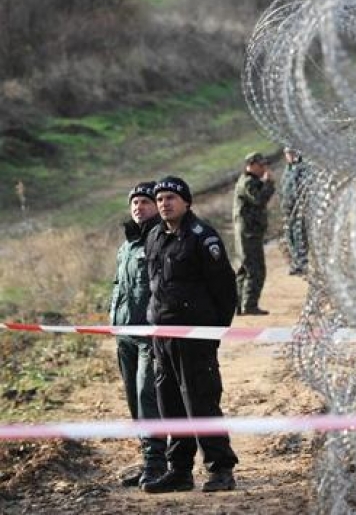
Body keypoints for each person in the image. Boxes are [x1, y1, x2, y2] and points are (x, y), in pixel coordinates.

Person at [142, 176, 239, 493]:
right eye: (159, 199)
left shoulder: (202, 237)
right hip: (162, 336)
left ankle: (221, 469)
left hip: (194, 337)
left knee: (201, 401)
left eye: (170, 198)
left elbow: (225, 288)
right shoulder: (154, 235)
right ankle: (180, 471)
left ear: (186, 202)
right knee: (169, 404)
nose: (164, 204)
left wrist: (212, 332)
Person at [109, 181, 166, 488]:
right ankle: (148, 460)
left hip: (149, 336)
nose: (138, 207)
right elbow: (119, 286)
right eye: (134, 202)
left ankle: (158, 464)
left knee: (148, 398)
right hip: (124, 335)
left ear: (155, 206)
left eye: (145, 202)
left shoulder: (161, 239)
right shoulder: (127, 245)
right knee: (134, 399)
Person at [233, 151, 275, 315]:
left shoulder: (251, 181)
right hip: (248, 233)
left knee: (245, 269)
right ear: (250, 165)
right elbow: (259, 199)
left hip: (249, 231)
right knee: (254, 269)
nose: (263, 168)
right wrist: (269, 184)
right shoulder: (248, 182)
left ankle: (239, 305)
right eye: (260, 165)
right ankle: (249, 305)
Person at [279, 147, 309, 276]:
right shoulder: (288, 169)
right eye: (287, 154)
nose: (289, 156)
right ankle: (296, 262)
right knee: (290, 235)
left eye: (291, 153)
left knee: (299, 234)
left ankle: (302, 262)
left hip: (298, 207)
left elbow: (303, 188)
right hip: (288, 207)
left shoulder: (302, 169)